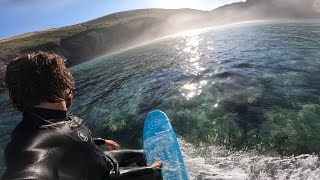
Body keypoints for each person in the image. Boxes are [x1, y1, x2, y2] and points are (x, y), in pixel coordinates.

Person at [2, 52, 163, 180]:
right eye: (66, 78)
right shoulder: (32, 141)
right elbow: (27, 167)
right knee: (155, 171)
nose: (71, 85)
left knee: (142, 155)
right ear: (58, 85)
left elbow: (69, 140)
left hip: (102, 160)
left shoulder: (53, 116)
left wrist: (101, 141)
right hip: (104, 176)